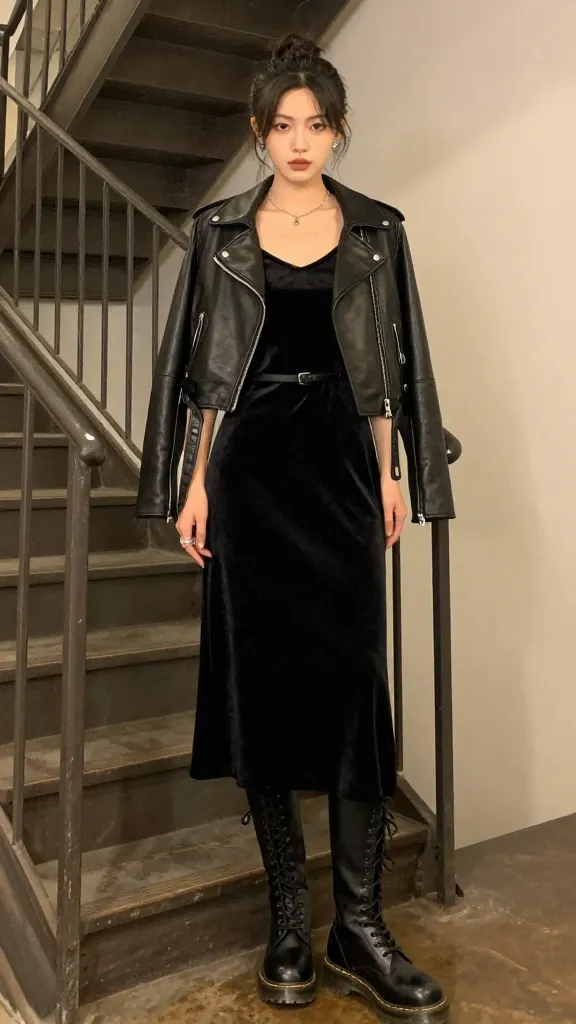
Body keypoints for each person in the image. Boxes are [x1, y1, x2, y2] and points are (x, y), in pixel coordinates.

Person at [135, 33, 454, 1024]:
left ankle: (358, 923)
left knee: (355, 686)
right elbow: (201, 371)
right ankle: (288, 915)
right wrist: (193, 482)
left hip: (341, 471)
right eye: (284, 126)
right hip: (252, 470)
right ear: (258, 133)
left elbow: (391, 361)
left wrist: (393, 464)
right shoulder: (221, 230)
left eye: (317, 125)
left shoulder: (377, 231)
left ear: (339, 131)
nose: (301, 142)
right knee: (261, 691)